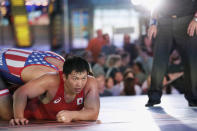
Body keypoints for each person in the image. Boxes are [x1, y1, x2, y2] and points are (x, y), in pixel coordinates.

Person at [9, 56, 100, 126]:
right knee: (6, 114)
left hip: (55, 124)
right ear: (64, 77)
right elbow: (20, 93)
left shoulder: (90, 83)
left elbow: (93, 113)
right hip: (31, 118)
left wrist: (72, 115)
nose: (79, 84)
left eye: (83, 78)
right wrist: (19, 117)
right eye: (75, 79)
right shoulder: (51, 80)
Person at [146, 0, 197, 107]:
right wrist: (153, 23)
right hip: (165, 22)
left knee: (191, 61)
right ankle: (154, 97)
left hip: (187, 21)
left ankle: (193, 97)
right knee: (159, 59)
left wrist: (196, 19)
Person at [0, 48, 65, 120]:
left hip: (5, 52)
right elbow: (20, 94)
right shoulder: (45, 77)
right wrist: (19, 117)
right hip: (6, 65)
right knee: (8, 115)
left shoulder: (60, 58)